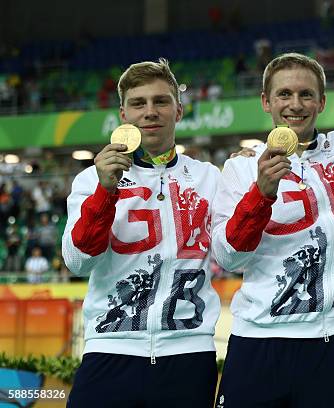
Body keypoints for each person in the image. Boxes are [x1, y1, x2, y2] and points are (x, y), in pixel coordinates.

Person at [212, 52, 334, 407]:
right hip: (259, 340)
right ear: (266, 102)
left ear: (321, 101)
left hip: (332, 343)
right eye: (284, 94)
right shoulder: (240, 170)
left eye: (305, 94)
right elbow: (227, 257)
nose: (295, 105)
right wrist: (260, 195)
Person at [62, 58, 220, 408]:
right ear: (123, 115)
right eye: (139, 103)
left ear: (178, 111)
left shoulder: (211, 178)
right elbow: (78, 262)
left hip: (188, 352)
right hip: (110, 349)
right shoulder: (91, 179)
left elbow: (233, 255)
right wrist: (105, 191)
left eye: (161, 101)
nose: (150, 112)